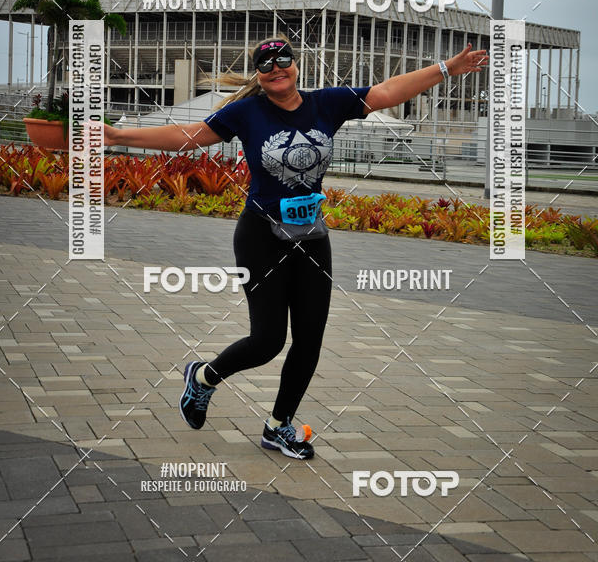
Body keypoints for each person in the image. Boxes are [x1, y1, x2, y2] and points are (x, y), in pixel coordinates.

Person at [104, 35, 488, 459]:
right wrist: (117, 134)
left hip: (311, 239)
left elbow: (386, 91)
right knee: (267, 341)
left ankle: (278, 425)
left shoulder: (327, 103)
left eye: (283, 60)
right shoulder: (246, 112)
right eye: (266, 65)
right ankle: (204, 378)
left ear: (295, 65)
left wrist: (448, 67)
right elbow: (189, 136)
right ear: (260, 75)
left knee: (309, 341)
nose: (276, 69)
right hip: (260, 238)